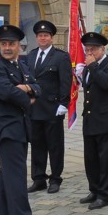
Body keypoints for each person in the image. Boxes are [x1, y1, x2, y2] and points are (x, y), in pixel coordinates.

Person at [0, 25, 47, 215]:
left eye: (11, 44)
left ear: (19, 46)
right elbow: (9, 94)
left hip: (20, 127)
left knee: (8, 172)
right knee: (17, 174)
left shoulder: (22, 65)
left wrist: (28, 88)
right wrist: (25, 93)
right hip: (7, 128)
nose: (7, 48)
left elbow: (39, 88)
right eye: (4, 44)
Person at [26, 20, 72, 194]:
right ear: (36, 38)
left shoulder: (61, 57)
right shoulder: (30, 56)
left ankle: (55, 179)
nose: (43, 38)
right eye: (40, 35)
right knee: (37, 145)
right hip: (34, 108)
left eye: (46, 35)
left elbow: (65, 82)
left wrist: (63, 103)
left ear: (52, 38)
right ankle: (38, 178)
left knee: (54, 146)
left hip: (52, 108)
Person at [79, 31, 108, 209]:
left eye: (93, 50)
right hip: (90, 118)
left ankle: (104, 194)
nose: (90, 53)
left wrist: (93, 67)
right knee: (91, 159)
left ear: (103, 49)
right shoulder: (90, 67)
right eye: (87, 50)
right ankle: (94, 189)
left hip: (106, 120)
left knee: (106, 160)